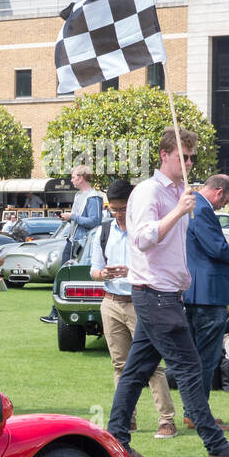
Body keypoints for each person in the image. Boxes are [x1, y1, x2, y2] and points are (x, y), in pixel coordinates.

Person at [105, 128, 229, 457]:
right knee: (189, 368)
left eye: (191, 158)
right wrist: (177, 211)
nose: (189, 163)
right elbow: (142, 239)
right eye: (182, 157)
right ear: (164, 155)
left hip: (163, 294)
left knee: (135, 372)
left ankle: (117, 442)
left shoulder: (177, 192)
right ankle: (217, 447)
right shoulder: (150, 192)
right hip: (155, 295)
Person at [88, 178, 178, 441]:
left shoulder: (147, 230)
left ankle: (166, 421)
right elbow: (94, 269)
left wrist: (131, 271)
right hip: (111, 302)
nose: (118, 214)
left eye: (122, 208)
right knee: (120, 365)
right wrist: (102, 273)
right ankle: (127, 418)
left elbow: (160, 266)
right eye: (113, 209)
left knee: (151, 365)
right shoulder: (103, 232)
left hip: (141, 301)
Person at [185, 174, 229, 431]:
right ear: (219, 191)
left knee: (198, 357)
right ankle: (199, 415)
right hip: (207, 295)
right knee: (206, 358)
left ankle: (195, 412)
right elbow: (217, 249)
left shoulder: (195, 207)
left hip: (199, 292)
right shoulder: (201, 210)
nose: (227, 204)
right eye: (228, 199)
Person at [42, 164, 104, 323]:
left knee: (73, 279)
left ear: (82, 178)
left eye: (74, 176)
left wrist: (72, 217)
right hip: (73, 240)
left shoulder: (93, 197)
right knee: (62, 277)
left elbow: (95, 221)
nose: (71, 180)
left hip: (83, 244)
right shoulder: (79, 196)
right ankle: (57, 312)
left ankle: (60, 313)